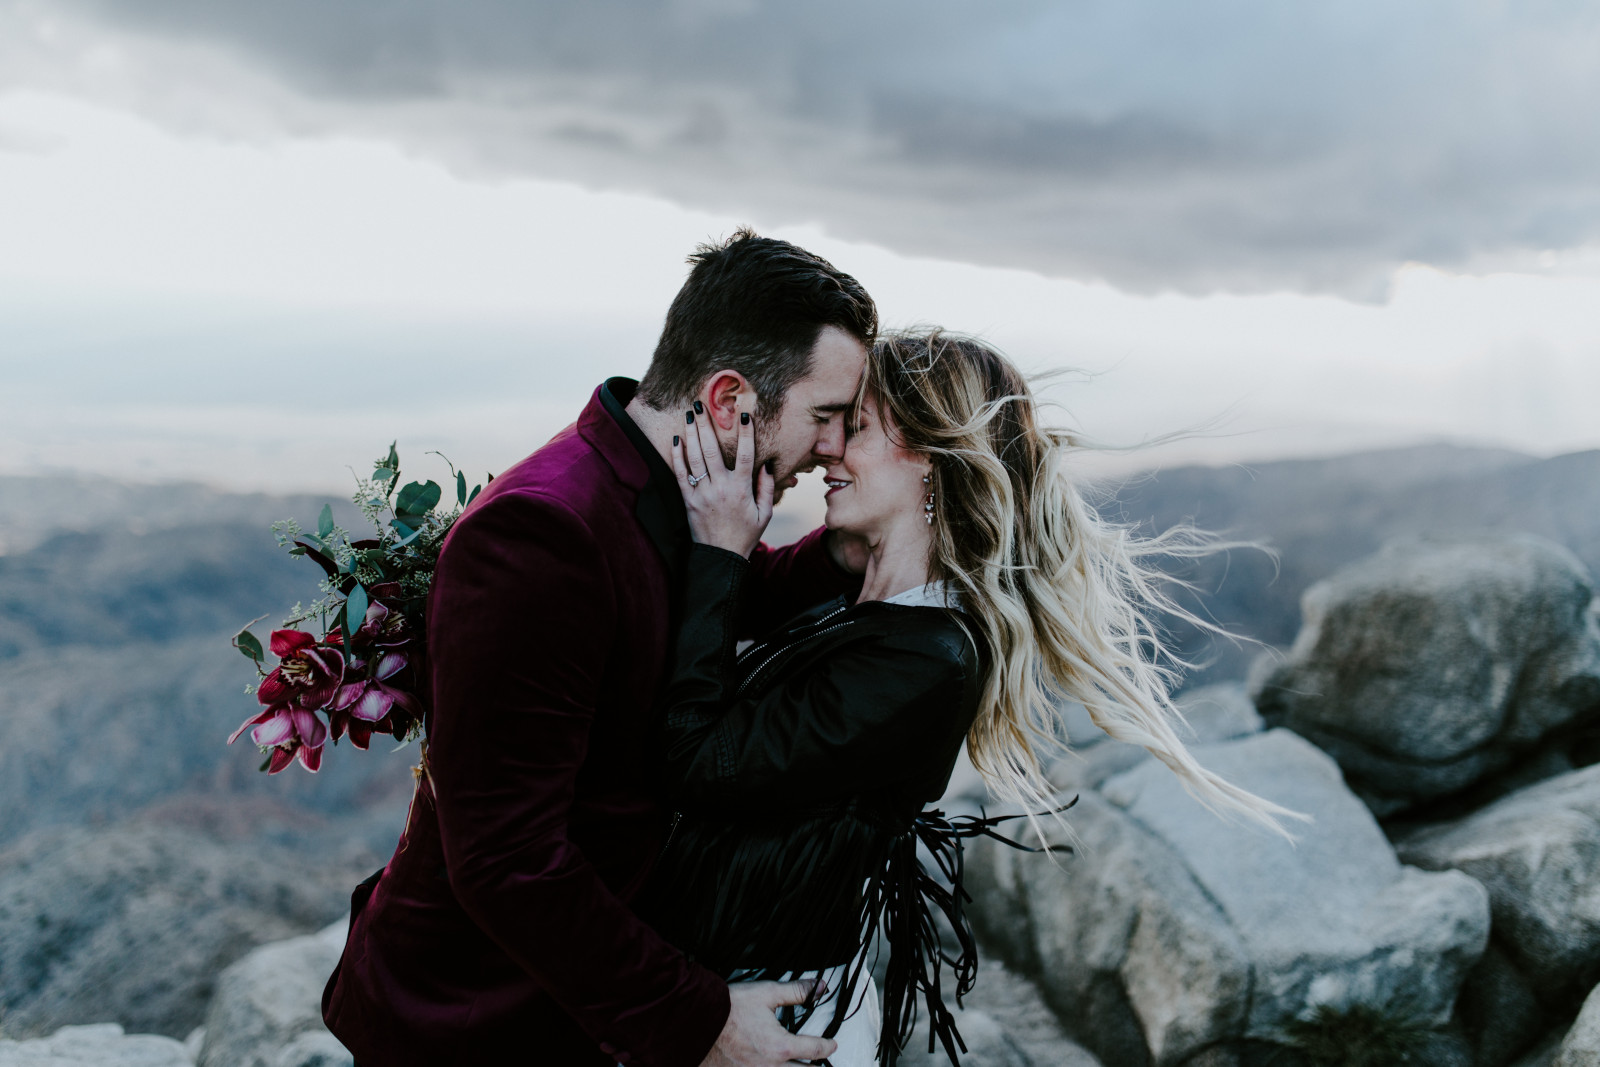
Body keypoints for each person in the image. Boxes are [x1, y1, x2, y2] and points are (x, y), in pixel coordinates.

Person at [642, 329, 1298, 1066]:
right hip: (729, 985)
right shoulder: (876, 605)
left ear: (928, 458)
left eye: (855, 429)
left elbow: (699, 759)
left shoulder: (930, 659)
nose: (829, 450)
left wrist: (716, 554)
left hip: (769, 1018)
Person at [322, 229, 877, 1067]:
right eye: (824, 417)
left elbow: (721, 596)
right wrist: (703, 1022)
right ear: (729, 399)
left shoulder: (665, 487)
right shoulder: (542, 532)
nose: (832, 447)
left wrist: (863, 541)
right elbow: (507, 858)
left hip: (567, 1001)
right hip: (471, 1021)